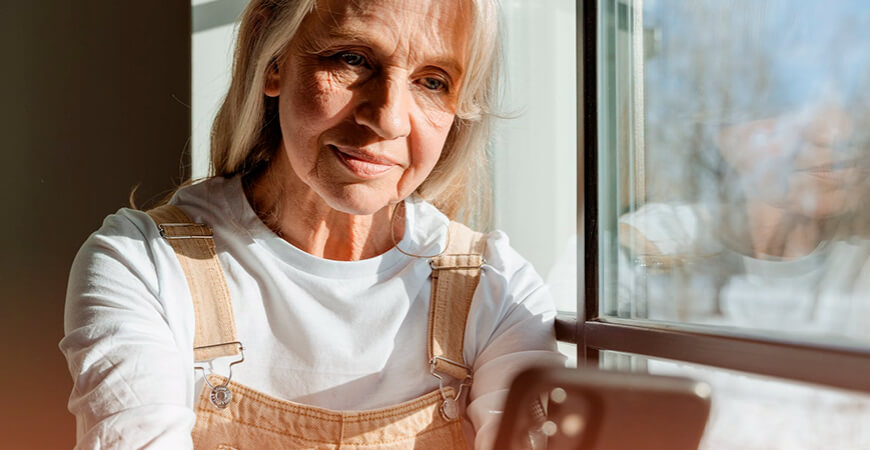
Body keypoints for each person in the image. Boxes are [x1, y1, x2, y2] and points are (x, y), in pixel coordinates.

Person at [59, 0, 564, 448]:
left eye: (433, 81)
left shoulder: (497, 291)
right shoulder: (143, 263)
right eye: (353, 59)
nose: (388, 119)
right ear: (271, 57)